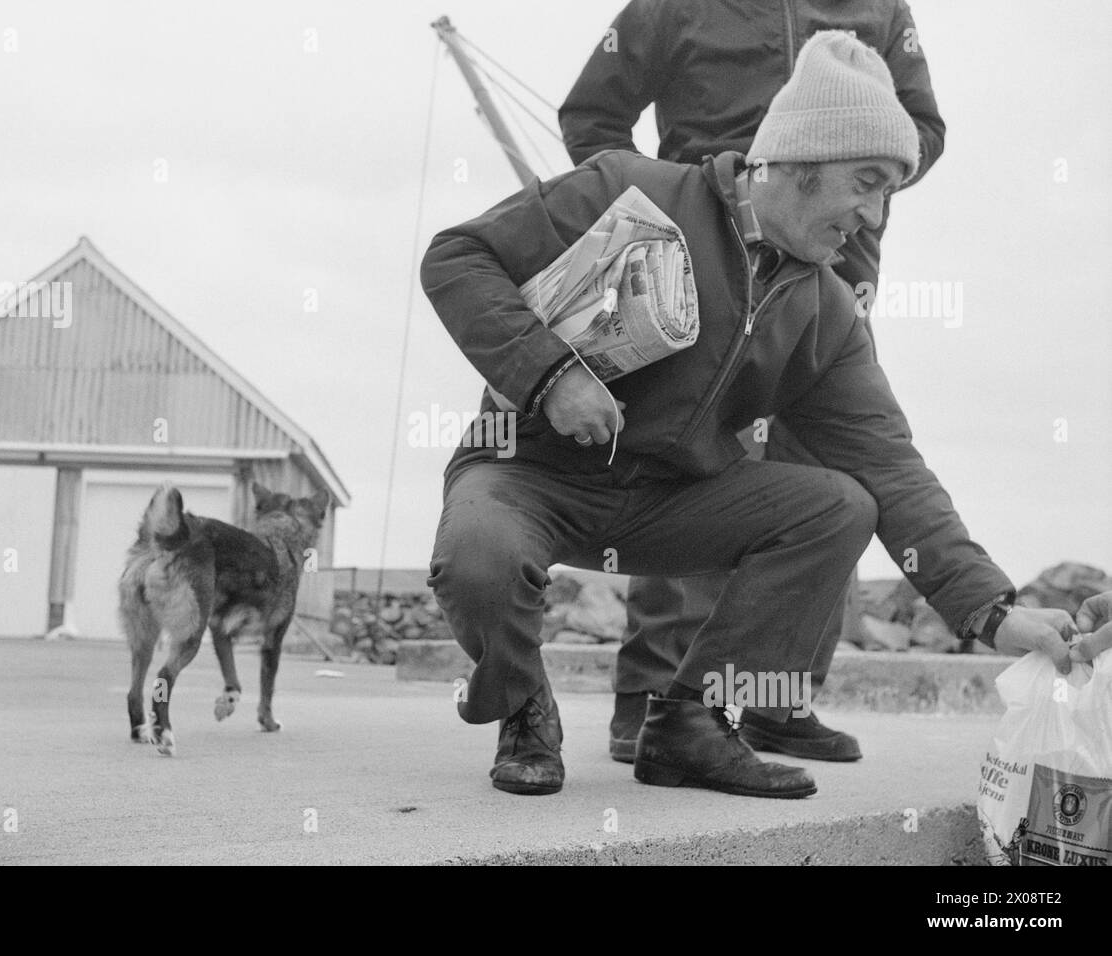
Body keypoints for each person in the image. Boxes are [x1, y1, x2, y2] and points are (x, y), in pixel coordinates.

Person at [420, 31, 1077, 799]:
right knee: (477, 555)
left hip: (668, 502)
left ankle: (695, 723)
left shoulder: (826, 311)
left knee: (840, 505)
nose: (870, 216)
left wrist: (995, 614)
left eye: (888, 194)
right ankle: (523, 702)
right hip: (528, 476)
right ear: (799, 164)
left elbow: (892, 468)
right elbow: (457, 258)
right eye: (865, 182)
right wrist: (550, 374)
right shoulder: (624, 187)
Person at [558, 0, 947, 765]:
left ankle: (775, 700)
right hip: (699, 257)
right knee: (692, 465)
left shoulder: (881, 7)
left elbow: (924, 127)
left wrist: (847, 171)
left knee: (829, 474)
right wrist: (663, 200)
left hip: (835, 267)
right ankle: (656, 701)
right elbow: (592, 112)